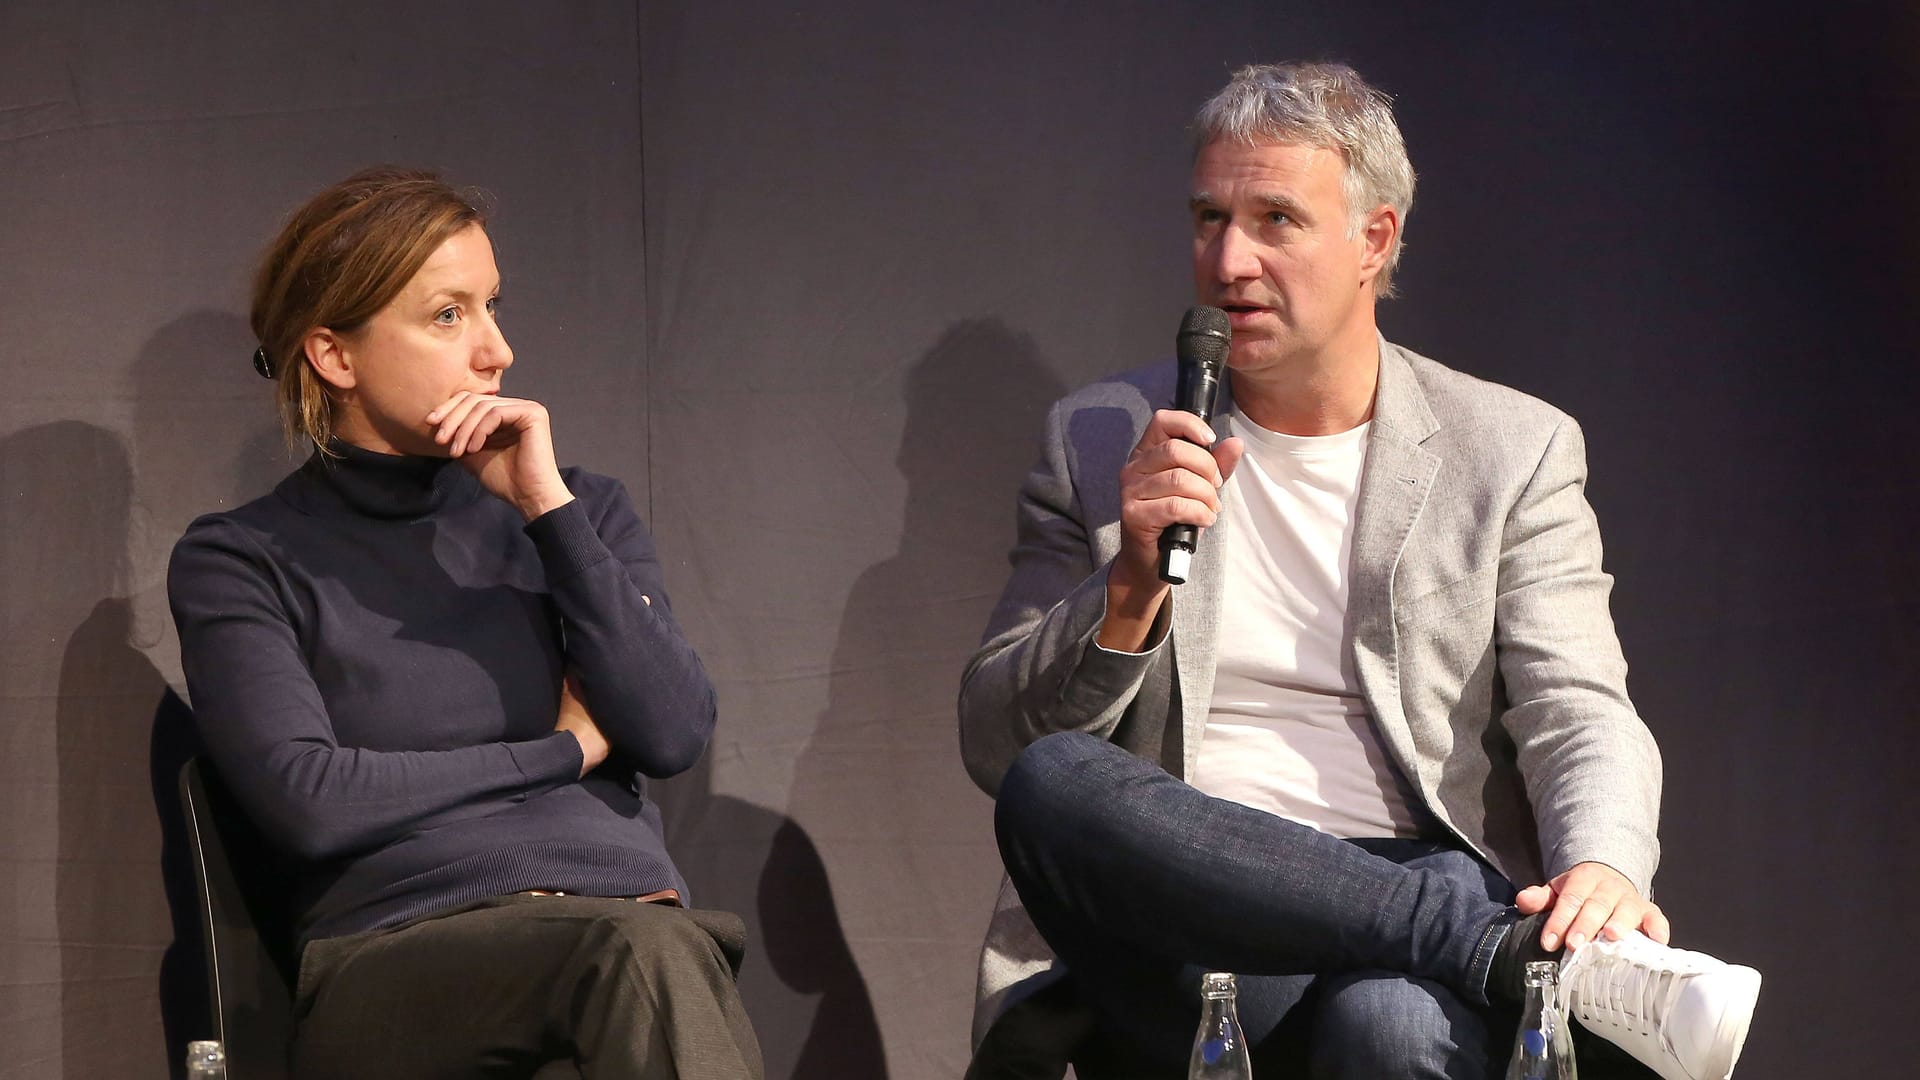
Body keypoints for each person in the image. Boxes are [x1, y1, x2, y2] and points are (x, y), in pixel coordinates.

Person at [959, 63, 1760, 1080]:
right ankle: (1497, 952)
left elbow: (1580, 708)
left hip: (1404, 893)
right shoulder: (1101, 438)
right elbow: (995, 742)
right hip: (1193, 914)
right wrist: (1127, 591)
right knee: (1054, 780)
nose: (1229, 259)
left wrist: (1601, 868)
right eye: (1209, 218)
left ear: (1373, 239)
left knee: (1388, 1028)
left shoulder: (1509, 447)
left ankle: (1469, 942)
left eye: (1276, 219)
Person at [169, 167, 762, 1079]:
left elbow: (672, 729)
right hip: (398, 960)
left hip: (621, 929)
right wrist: (563, 751)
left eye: (491, 307)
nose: (497, 351)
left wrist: (547, 512)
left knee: (650, 950)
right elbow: (310, 801)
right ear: (336, 356)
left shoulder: (578, 516)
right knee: (646, 954)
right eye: (450, 315)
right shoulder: (245, 557)